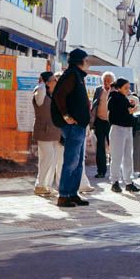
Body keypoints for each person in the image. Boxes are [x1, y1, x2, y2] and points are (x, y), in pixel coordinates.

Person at [49, 50, 92, 208]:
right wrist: (66, 115)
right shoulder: (72, 75)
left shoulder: (78, 76)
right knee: (71, 161)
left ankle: (72, 193)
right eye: (86, 60)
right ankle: (64, 195)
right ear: (80, 61)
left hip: (79, 125)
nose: (88, 63)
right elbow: (59, 95)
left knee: (78, 162)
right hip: (72, 126)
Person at [30, 69, 60, 198]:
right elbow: (40, 90)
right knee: (48, 157)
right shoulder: (40, 92)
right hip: (44, 131)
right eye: (54, 80)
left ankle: (44, 185)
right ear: (47, 82)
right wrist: (42, 82)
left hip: (52, 131)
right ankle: (39, 185)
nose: (56, 82)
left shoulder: (50, 94)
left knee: (49, 159)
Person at [105, 77, 139, 193]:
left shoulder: (124, 98)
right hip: (118, 129)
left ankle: (128, 181)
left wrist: (131, 108)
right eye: (125, 88)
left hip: (128, 129)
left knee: (128, 156)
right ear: (119, 88)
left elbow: (126, 112)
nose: (128, 90)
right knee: (117, 157)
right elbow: (113, 114)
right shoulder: (114, 97)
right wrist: (128, 111)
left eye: (129, 88)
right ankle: (114, 181)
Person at [92, 70, 116, 180]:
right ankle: (101, 171)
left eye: (108, 81)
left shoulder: (115, 91)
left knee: (113, 147)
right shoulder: (98, 90)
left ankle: (114, 171)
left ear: (112, 82)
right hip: (100, 121)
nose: (106, 82)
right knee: (100, 147)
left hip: (111, 123)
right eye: (105, 80)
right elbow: (94, 104)